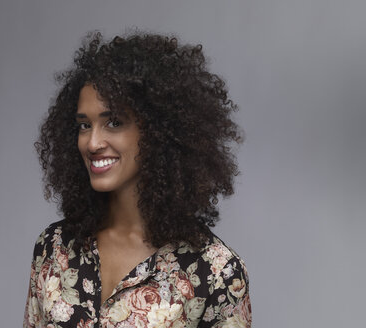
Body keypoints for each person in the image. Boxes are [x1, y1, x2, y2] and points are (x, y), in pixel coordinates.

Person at [23, 30, 252, 328]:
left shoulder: (216, 272)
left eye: (114, 122)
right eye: (83, 125)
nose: (92, 143)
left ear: (159, 132)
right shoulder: (54, 249)